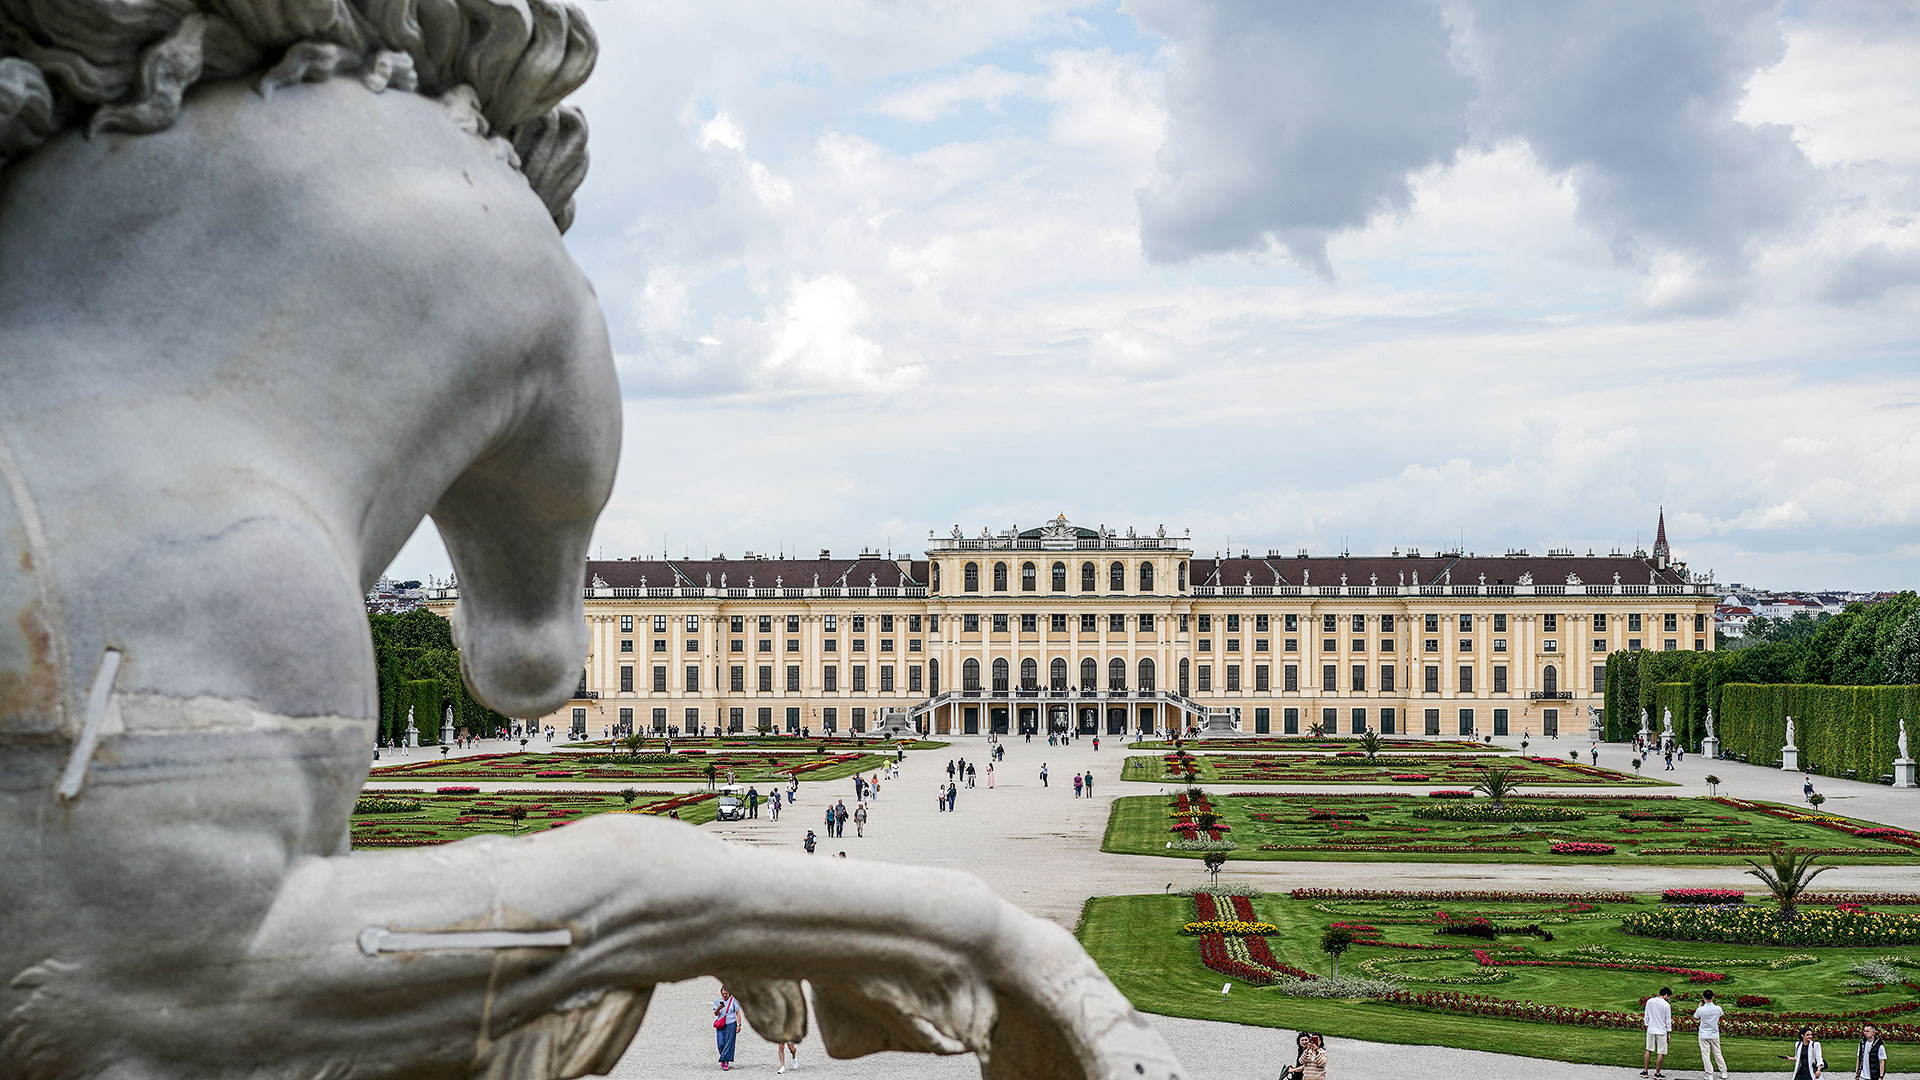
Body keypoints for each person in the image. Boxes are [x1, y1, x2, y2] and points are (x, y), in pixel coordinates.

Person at [1694, 988, 1727, 1080]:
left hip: (1704, 1034)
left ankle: (1709, 1074)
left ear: (1703, 998)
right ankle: (1723, 1072)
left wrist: (1700, 1007)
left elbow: (1696, 1017)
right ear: (1713, 997)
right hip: (1714, 1034)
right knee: (1718, 1053)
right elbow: (1721, 1014)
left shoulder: (1701, 1009)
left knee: (1706, 1055)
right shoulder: (1718, 1008)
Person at [1641, 985, 1672, 1078]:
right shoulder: (1666, 1005)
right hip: (1661, 1030)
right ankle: (1657, 1073)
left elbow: (1646, 1015)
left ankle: (1645, 1071)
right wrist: (1669, 1033)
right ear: (1665, 995)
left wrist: (1647, 1025)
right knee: (1661, 1052)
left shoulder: (1650, 1001)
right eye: (1669, 996)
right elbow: (1668, 1020)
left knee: (1648, 1050)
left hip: (1651, 1028)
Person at [713, 985, 740, 1070]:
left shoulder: (734, 1001)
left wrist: (739, 1024)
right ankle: (723, 1057)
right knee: (720, 1043)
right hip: (721, 1024)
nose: (725, 995)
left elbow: (738, 1012)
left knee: (729, 1043)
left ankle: (726, 1062)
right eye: (723, 993)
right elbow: (715, 1014)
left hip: (731, 1023)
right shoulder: (718, 1001)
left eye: (726, 994)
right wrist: (718, 1008)